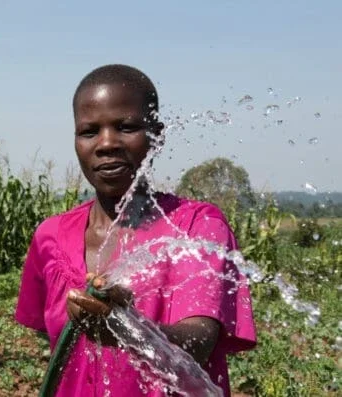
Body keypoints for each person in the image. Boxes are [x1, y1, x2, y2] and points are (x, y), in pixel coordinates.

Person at [15, 64, 257, 396]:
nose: (106, 143)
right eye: (89, 131)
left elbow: (199, 341)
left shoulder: (195, 228)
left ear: (156, 135)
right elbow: (54, 339)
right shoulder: (50, 236)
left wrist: (126, 326)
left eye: (126, 127)